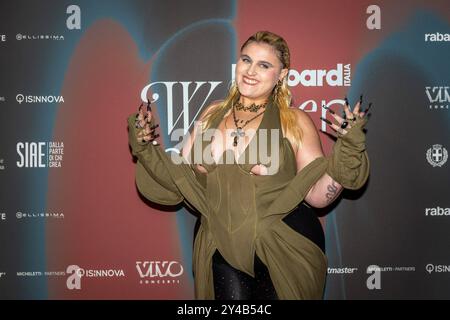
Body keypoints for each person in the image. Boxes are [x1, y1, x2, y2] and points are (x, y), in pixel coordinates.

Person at [127, 31, 370, 300]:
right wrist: (145, 147)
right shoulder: (212, 113)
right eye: (246, 60)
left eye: (264, 65)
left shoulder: (294, 121)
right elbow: (180, 178)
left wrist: (348, 151)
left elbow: (316, 194)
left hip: (284, 243)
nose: (251, 71)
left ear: (282, 75)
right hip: (219, 241)